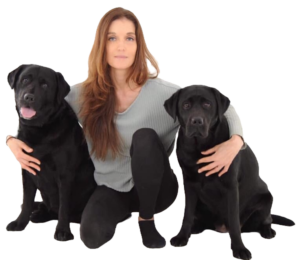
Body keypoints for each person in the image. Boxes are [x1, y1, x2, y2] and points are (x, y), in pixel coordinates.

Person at [5, 7, 246, 249]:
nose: (121, 46)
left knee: (144, 138)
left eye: (129, 38)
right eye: (112, 38)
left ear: (139, 45)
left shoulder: (165, 93)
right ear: (102, 45)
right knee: (91, 238)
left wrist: (236, 141)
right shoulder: (83, 94)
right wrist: (12, 140)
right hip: (110, 187)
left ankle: (146, 220)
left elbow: (224, 108)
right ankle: (122, 215)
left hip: (157, 188)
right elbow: (40, 109)